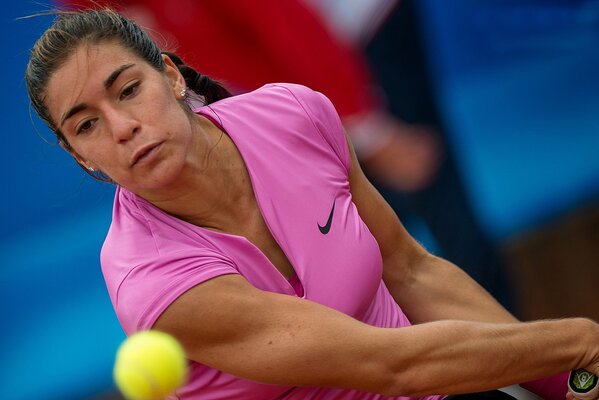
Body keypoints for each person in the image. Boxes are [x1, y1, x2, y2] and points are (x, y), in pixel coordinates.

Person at [25, 9, 597, 400]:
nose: (122, 127)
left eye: (128, 90)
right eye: (88, 125)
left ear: (171, 77)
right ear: (83, 159)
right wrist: (578, 343)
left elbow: (411, 270)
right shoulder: (155, 282)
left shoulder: (295, 114)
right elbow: (390, 364)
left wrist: (562, 381)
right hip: (410, 372)